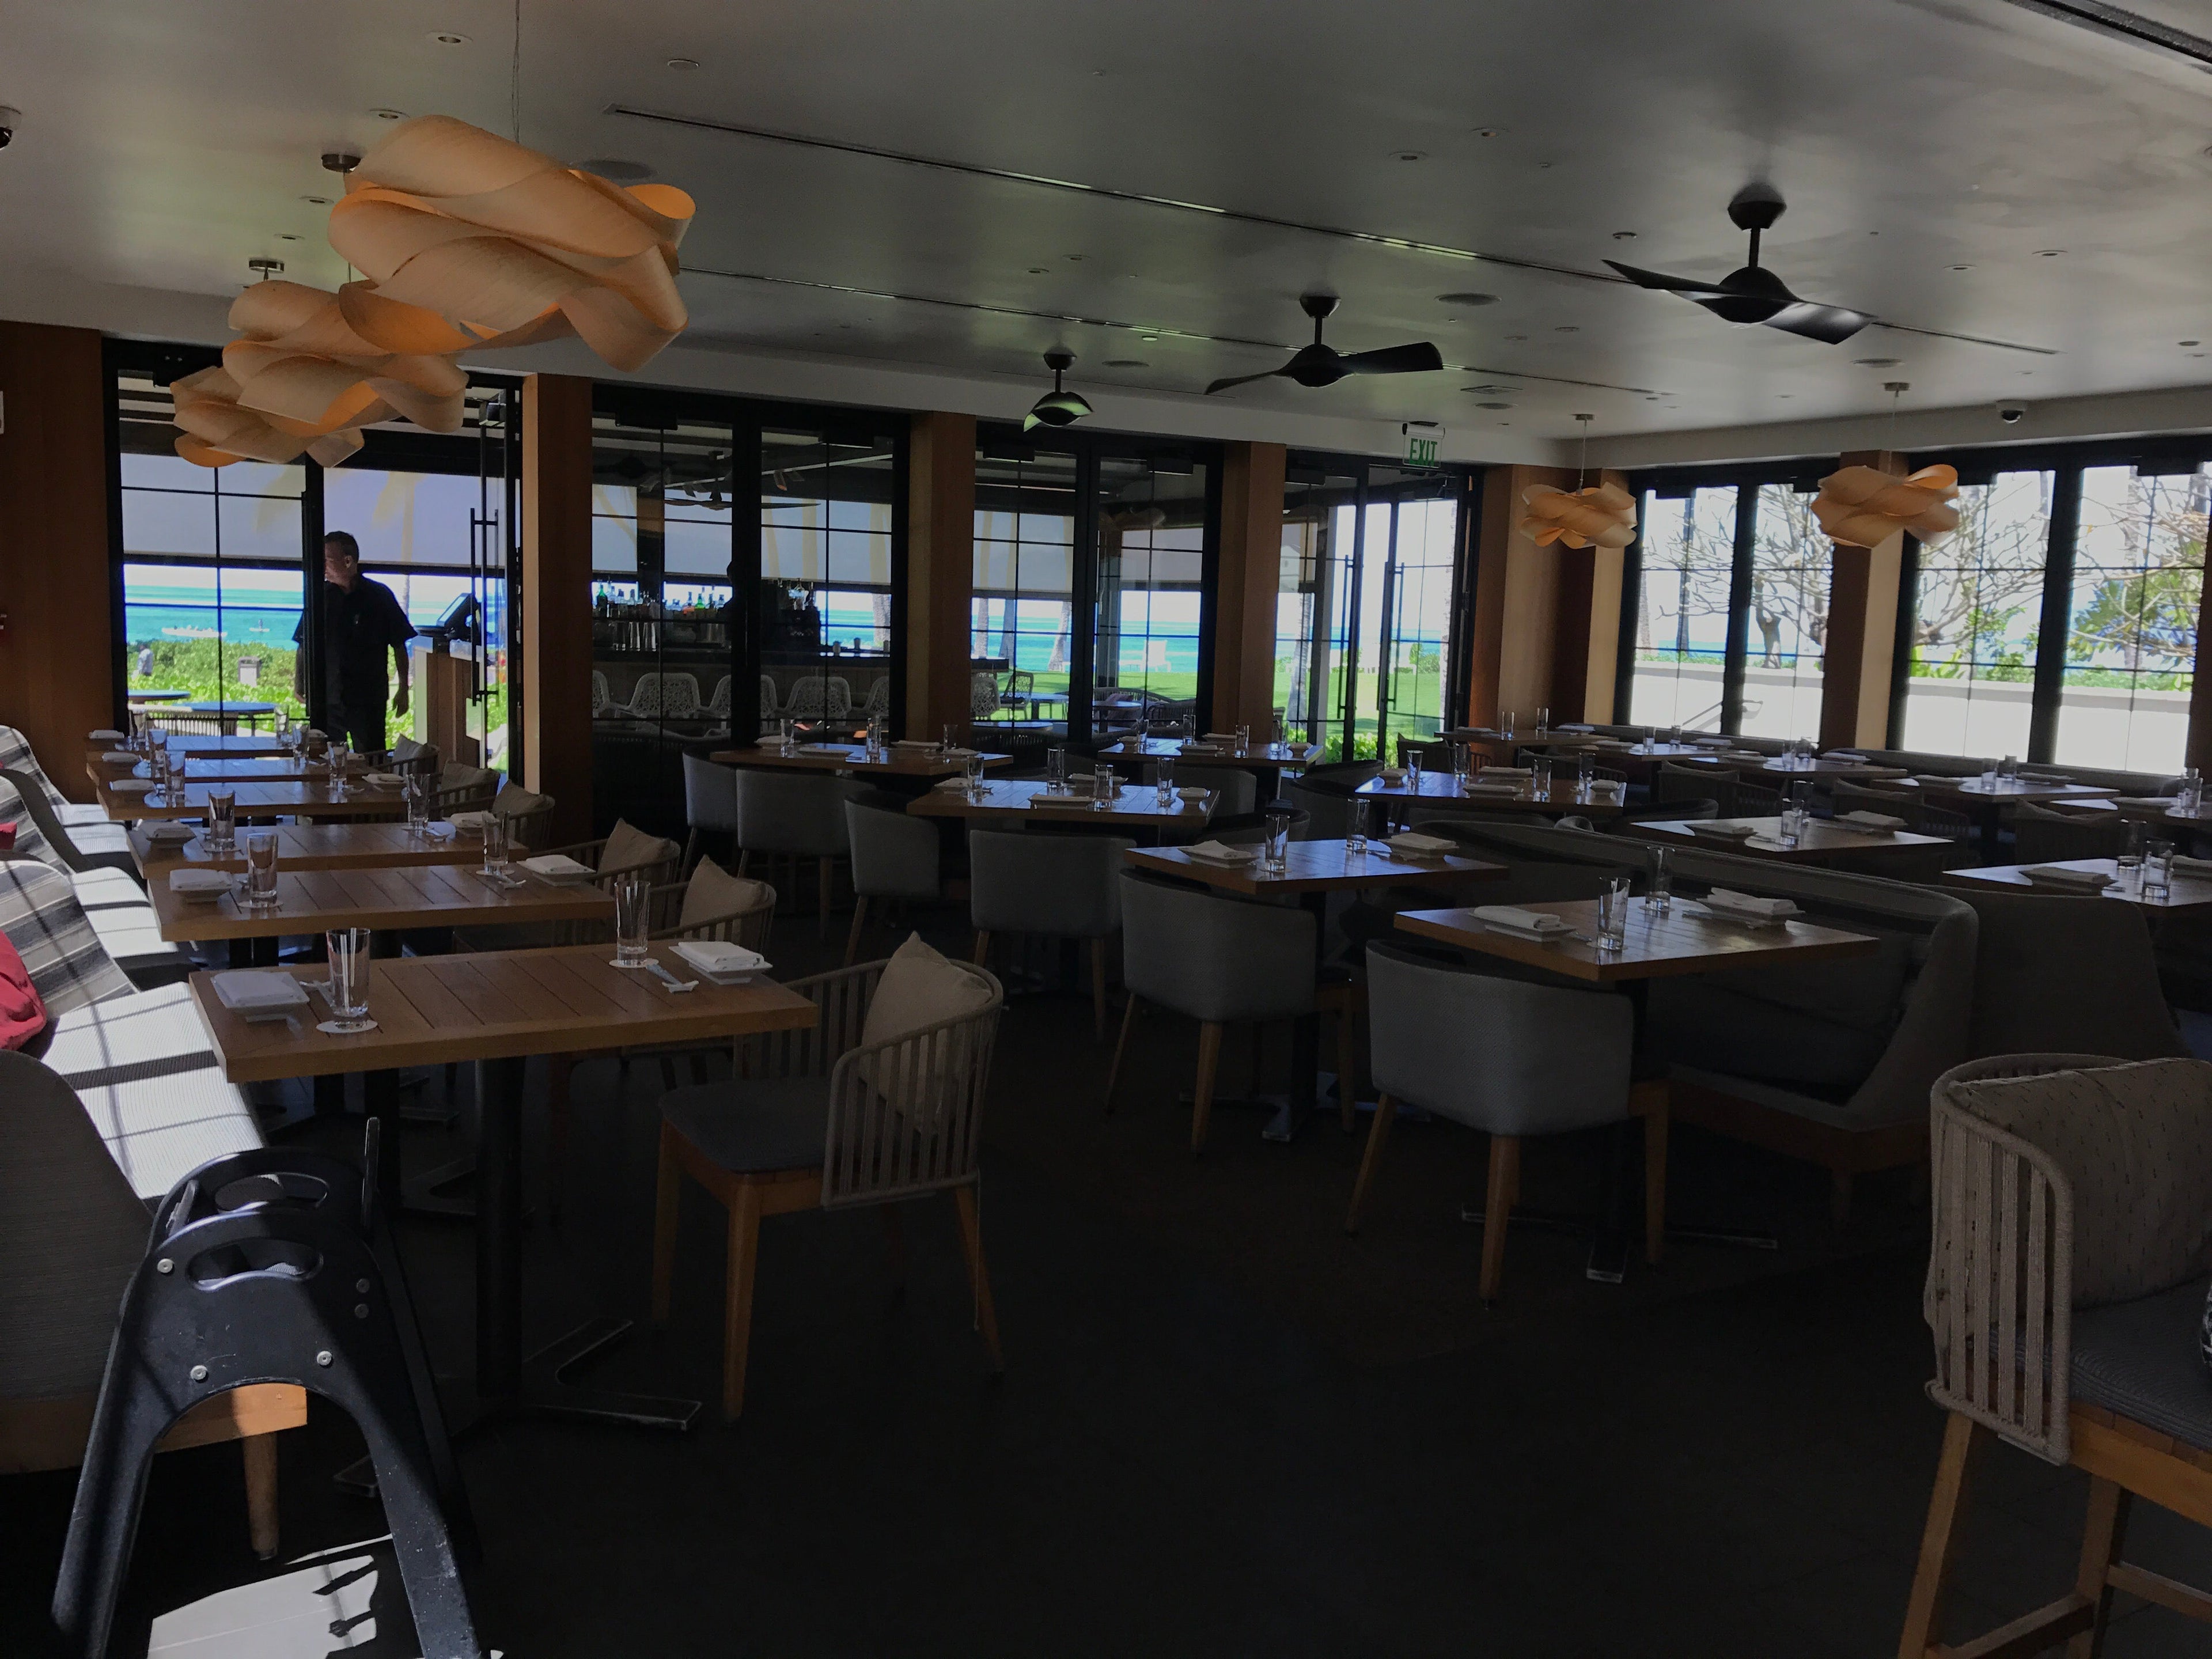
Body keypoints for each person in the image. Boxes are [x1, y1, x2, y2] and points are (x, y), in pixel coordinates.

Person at [293, 531, 414, 753]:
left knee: (370, 760)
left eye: (327, 560)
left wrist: (403, 689)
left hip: (368, 699)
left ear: (348, 561)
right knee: (324, 760)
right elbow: (303, 644)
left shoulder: (379, 596)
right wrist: (300, 683)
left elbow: (399, 644)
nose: (322, 567)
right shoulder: (320, 598)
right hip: (327, 699)